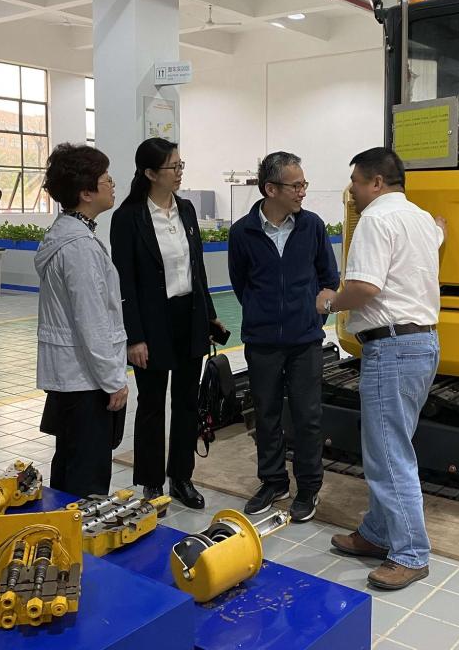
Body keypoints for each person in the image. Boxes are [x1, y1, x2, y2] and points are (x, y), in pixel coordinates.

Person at [316, 147, 445, 590]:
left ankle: (410, 553)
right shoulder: (421, 219)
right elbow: (435, 240)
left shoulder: (374, 219)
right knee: (389, 446)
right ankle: (376, 532)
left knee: (389, 454)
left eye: (355, 181)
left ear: (375, 182)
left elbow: (364, 287)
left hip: (392, 349)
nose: (351, 190)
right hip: (421, 343)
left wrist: (329, 301)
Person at [110, 138, 226, 509]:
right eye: (172, 167)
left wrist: (209, 315)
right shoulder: (128, 217)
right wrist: (134, 337)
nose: (178, 173)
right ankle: (150, 482)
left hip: (189, 317)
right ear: (149, 173)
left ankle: (181, 478)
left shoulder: (186, 210)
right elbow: (125, 282)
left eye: (180, 165)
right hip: (152, 323)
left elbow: (197, 269)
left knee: (187, 402)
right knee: (151, 405)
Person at [229, 152, 339, 523]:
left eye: (303, 184)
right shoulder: (243, 232)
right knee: (266, 414)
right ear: (270, 189)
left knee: (307, 416)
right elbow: (241, 284)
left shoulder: (312, 226)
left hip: (305, 341)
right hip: (262, 342)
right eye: (296, 185)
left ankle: (308, 488)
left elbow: (329, 278)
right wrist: (262, 314)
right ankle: (274, 481)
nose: (302, 191)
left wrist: (313, 313)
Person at [35, 143, 129, 499]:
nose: (112, 184)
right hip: (85, 380)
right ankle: (79, 532)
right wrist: (113, 380)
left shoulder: (71, 236)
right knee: (86, 478)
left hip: (73, 378)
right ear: (86, 193)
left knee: (70, 465)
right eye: (106, 179)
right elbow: (93, 323)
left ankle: (62, 525)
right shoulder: (79, 248)